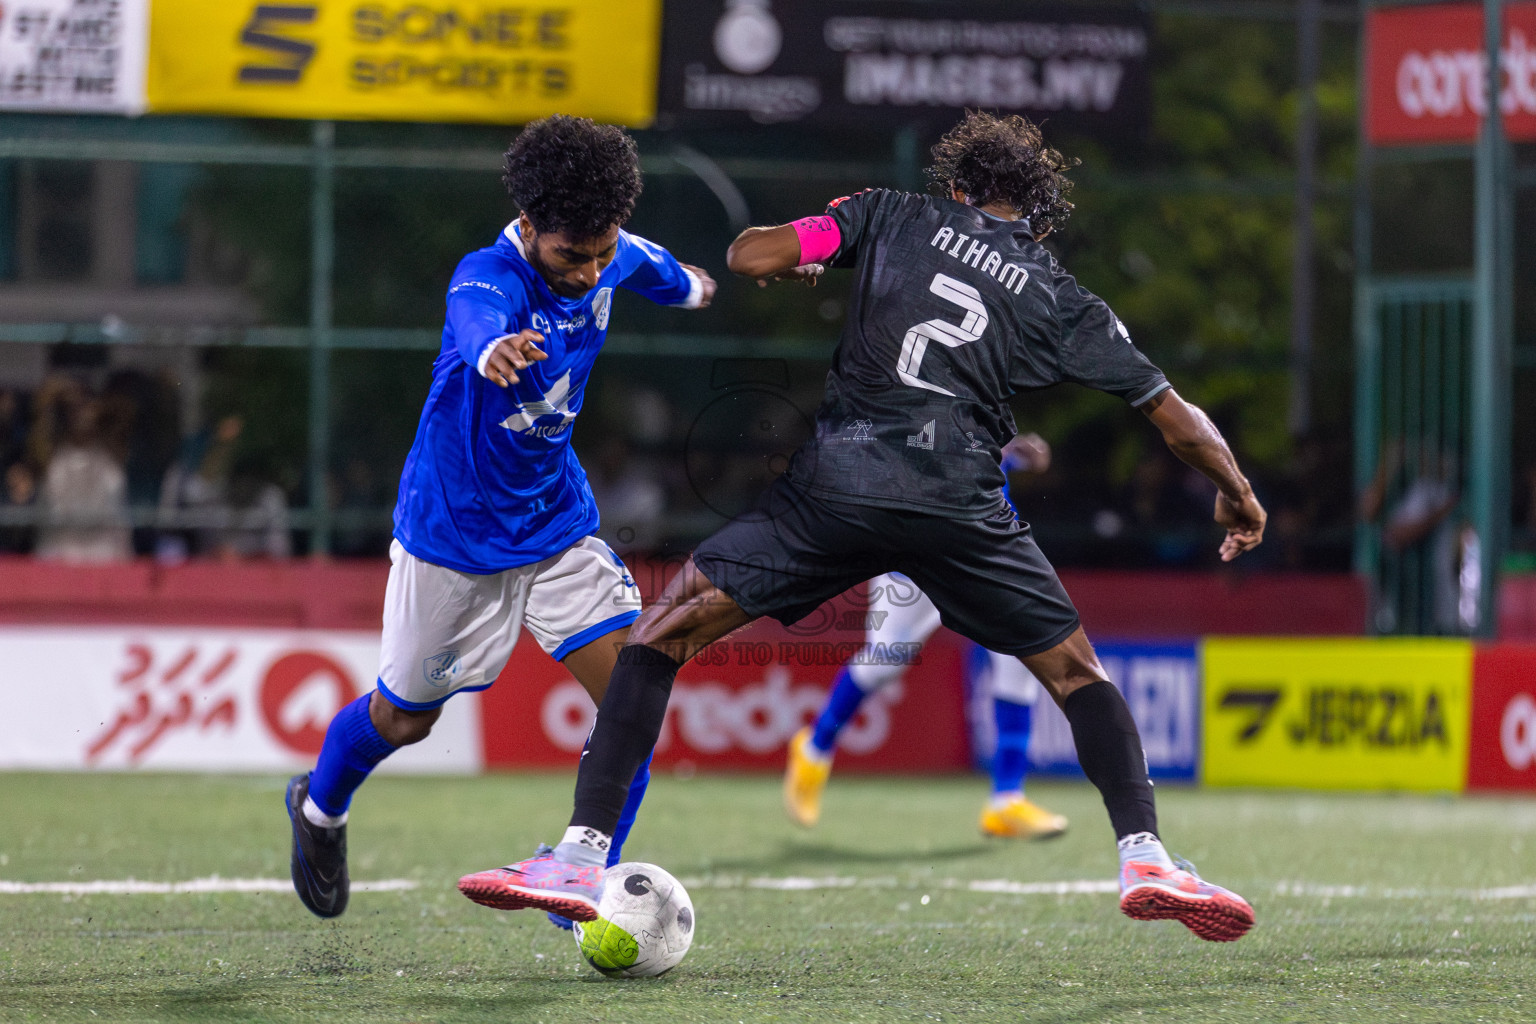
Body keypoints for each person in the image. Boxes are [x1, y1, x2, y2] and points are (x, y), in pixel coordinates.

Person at [457, 111, 1266, 943]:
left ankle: (580, 856)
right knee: (1074, 673)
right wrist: (1237, 491)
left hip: (836, 490)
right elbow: (1174, 417)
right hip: (958, 504)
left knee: (657, 635)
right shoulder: (1056, 291)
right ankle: (1147, 857)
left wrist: (805, 259)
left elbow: (749, 254)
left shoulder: (889, 212)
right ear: (1035, 214)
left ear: (955, 186)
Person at [285, 115, 717, 921]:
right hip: (454, 538)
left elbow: (660, 270)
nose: (589, 272)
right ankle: (318, 808)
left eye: (600, 252)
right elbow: (475, 316)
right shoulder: (488, 275)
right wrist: (491, 351)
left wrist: (701, 285)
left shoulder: (607, 248)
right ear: (529, 227)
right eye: (570, 256)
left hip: (556, 524)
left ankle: (579, 877)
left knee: (633, 696)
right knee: (403, 719)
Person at [784, 433, 1068, 840]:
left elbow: (996, 451)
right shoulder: (914, 402)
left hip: (979, 556)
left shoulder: (978, 395)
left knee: (1021, 653)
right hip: (914, 559)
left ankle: (1006, 799)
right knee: (885, 660)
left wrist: (1018, 453)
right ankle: (815, 746)